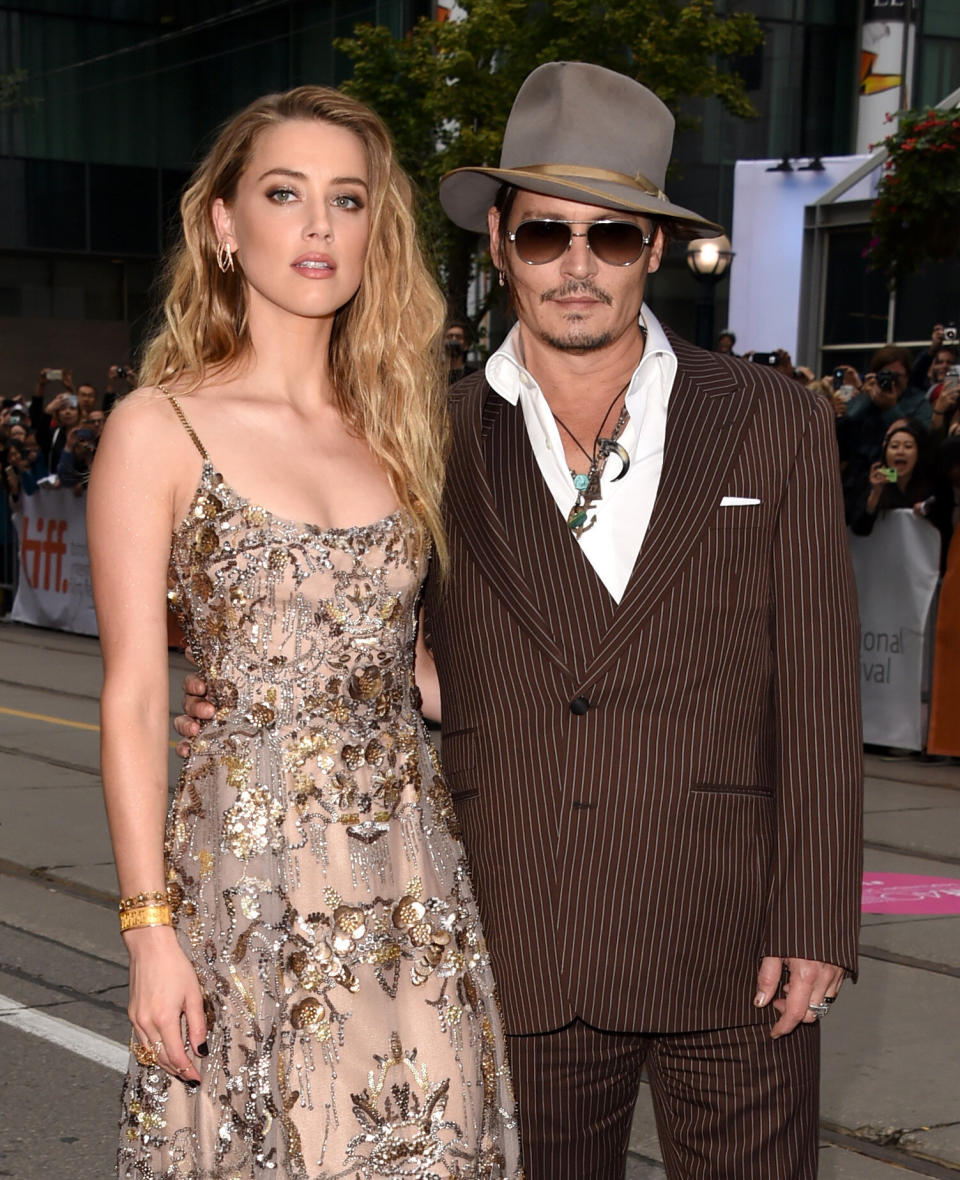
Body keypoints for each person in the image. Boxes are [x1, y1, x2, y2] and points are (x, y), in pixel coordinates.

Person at [180, 63, 862, 1178]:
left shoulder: (771, 422)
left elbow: (823, 691)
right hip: (513, 934)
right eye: (546, 234)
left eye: (613, 235)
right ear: (499, 241)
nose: (577, 266)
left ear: (653, 247)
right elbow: (365, 636)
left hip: (735, 940)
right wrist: (246, 687)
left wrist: (819, 916)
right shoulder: (419, 439)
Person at [88, 85, 520, 1180]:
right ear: (225, 225)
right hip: (248, 879)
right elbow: (136, 697)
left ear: (378, 230)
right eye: (285, 194)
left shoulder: (404, 424)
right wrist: (148, 931)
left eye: (348, 199)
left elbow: (415, 657)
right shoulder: (159, 427)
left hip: (411, 883)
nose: (319, 226)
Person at [850, 420, 933, 534]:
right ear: (885, 452)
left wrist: (928, 511)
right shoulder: (873, 482)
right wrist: (875, 494)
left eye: (908, 447)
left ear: (918, 453)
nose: (900, 452)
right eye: (894, 446)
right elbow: (860, 529)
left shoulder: (930, 481)